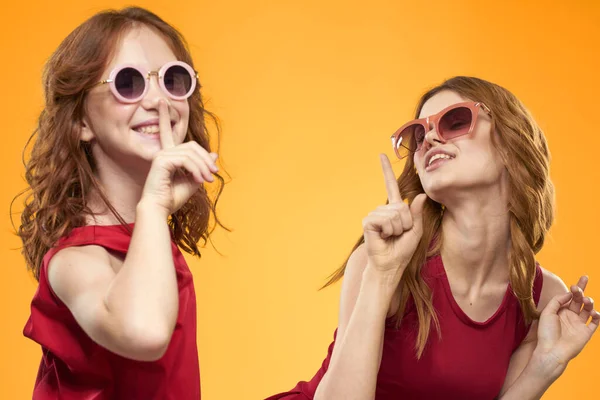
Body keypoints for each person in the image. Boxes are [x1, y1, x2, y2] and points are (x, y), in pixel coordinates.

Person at [267, 76, 599, 400]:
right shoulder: (385, 259)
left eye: (455, 121)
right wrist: (381, 277)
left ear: (511, 143)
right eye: (418, 134)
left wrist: (546, 365)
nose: (429, 140)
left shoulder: (539, 296)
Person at [14, 7, 224, 399]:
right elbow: (144, 332)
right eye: (128, 84)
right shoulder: (74, 260)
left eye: (172, 80)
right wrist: (154, 207)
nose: (159, 102)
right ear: (81, 122)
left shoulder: (151, 241)